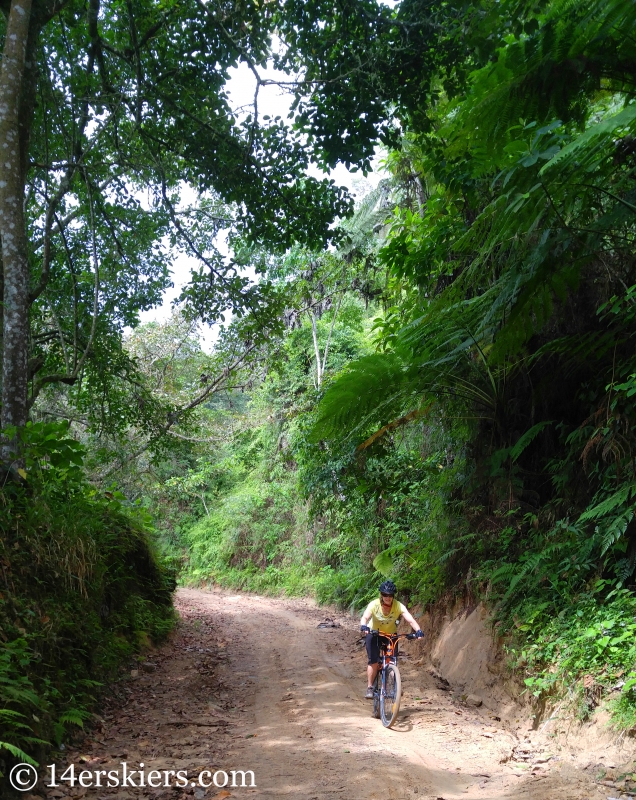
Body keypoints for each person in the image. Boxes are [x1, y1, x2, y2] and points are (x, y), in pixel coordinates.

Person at [360, 580, 424, 698]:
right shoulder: (374, 605)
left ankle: (396, 685)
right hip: (374, 633)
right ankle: (370, 687)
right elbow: (365, 617)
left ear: (393, 596)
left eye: (390, 595)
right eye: (385, 595)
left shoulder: (398, 606)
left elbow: (410, 619)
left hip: (390, 635)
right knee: (373, 661)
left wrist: (418, 630)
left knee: (392, 661)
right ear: (381, 595)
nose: (387, 597)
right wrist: (364, 626)